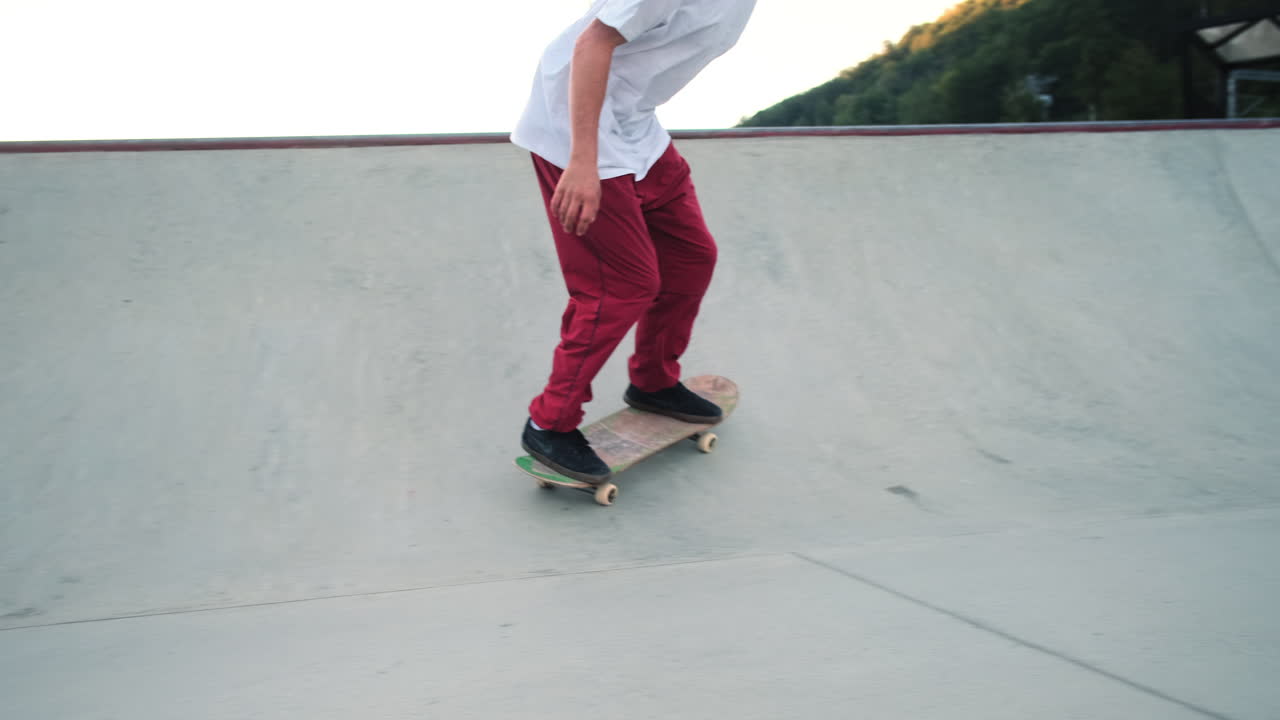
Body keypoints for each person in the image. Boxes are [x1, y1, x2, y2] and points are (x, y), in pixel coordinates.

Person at [511, 0, 757, 484]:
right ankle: (549, 423)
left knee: (690, 257)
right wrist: (583, 162)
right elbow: (592, 43)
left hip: (633, 121)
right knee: (621, 287)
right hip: (575, 121)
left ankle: (653, 382)